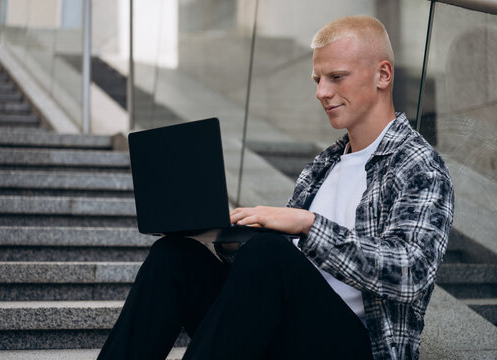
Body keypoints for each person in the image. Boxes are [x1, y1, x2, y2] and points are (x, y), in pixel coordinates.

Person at [98, 15, 454, 360]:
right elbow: (272, 276)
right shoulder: (322, 166)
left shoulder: (418, 165)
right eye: (317, 79)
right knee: (174, 258)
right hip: (288, 331)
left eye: (336, 77)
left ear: (383, 74)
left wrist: (307, 225)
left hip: (362, 346)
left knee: (269, 252)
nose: (321, 92)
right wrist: (234, 238)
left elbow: (410, 273)